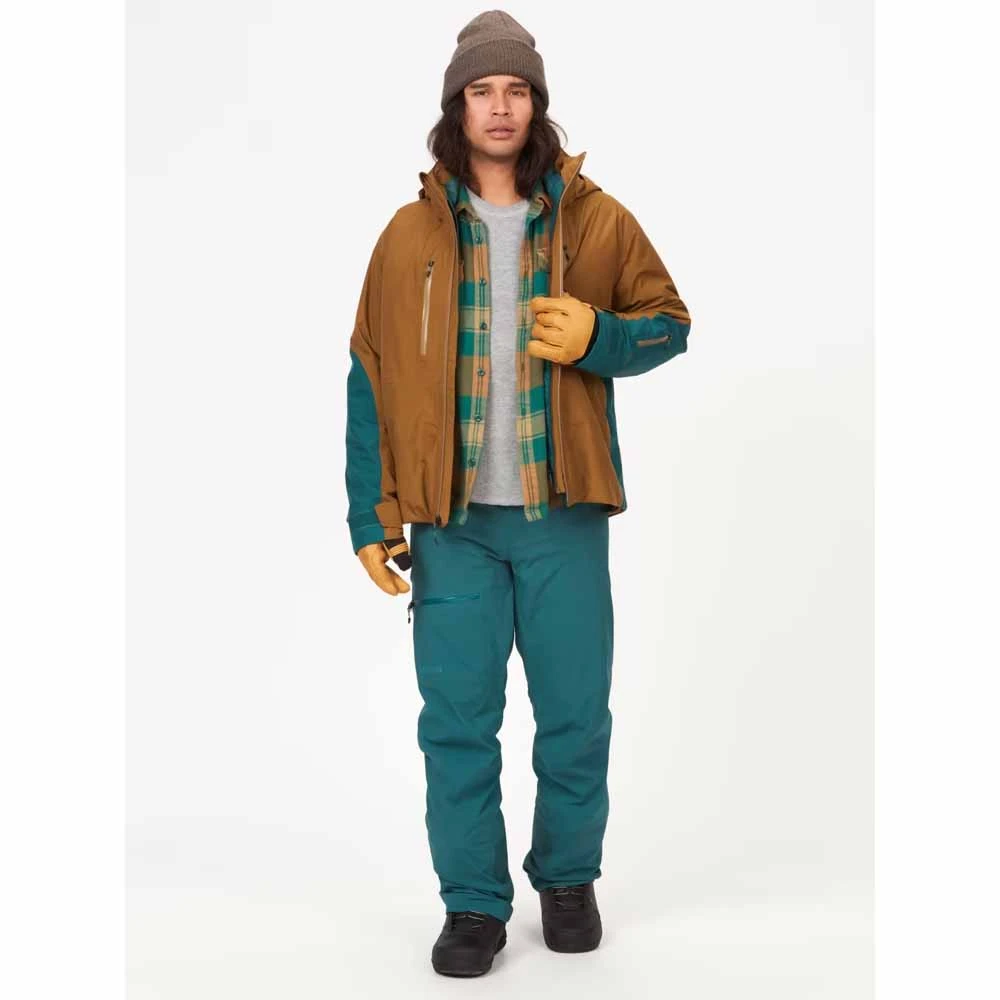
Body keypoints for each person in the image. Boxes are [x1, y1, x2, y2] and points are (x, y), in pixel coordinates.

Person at [344, 8, 692, 978]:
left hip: (562, 516)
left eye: (516, 90)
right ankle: (472, 903)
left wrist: (600, 338)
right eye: (481, 90)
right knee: (456, 725)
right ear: (455, 108)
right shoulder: (406, 235)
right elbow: (369, 373)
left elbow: (669, 323)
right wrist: (370, 512)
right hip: (450, 526)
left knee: (575, 716)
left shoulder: (595, 219)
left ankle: (568, 879)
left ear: (536, 105)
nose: (499, 107)